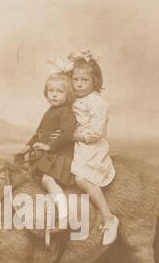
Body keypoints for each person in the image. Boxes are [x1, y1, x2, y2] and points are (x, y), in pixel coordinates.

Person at [68, 50, 119, 245]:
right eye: (75, 79)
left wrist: (71, 136)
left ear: (95, 81)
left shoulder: (98, 102)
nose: (79, 84)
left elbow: (96, 132)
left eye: (85, 80)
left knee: (82, 178)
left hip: (91, 148)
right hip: (75, 146)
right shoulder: (74, 100)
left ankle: (108, 218)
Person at [25, 73, 76, 223]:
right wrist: (27, 146)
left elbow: (67, 135)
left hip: (61, 156)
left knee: (47, 181)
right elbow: (39, 133)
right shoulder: (49, 111)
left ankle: (64, 214)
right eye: (51, 91)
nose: (54, 94)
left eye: (60, 91)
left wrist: (49, 146)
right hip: (50, 155)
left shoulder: (66, 112)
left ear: (68, 95)